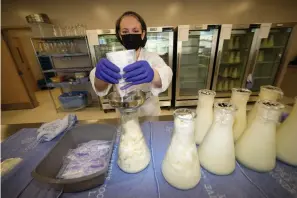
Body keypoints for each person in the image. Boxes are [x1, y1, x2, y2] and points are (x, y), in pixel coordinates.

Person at [89, 11, 173, 116]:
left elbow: (167, 74)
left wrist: (153, 74)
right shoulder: (114, 59)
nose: (130, 35)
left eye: (135, 30)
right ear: (120, 35)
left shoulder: (151, 57)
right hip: (124, 114)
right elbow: (100, 88)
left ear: (142, 34)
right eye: (125, 32)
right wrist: (99, 77)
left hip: (150, 114)